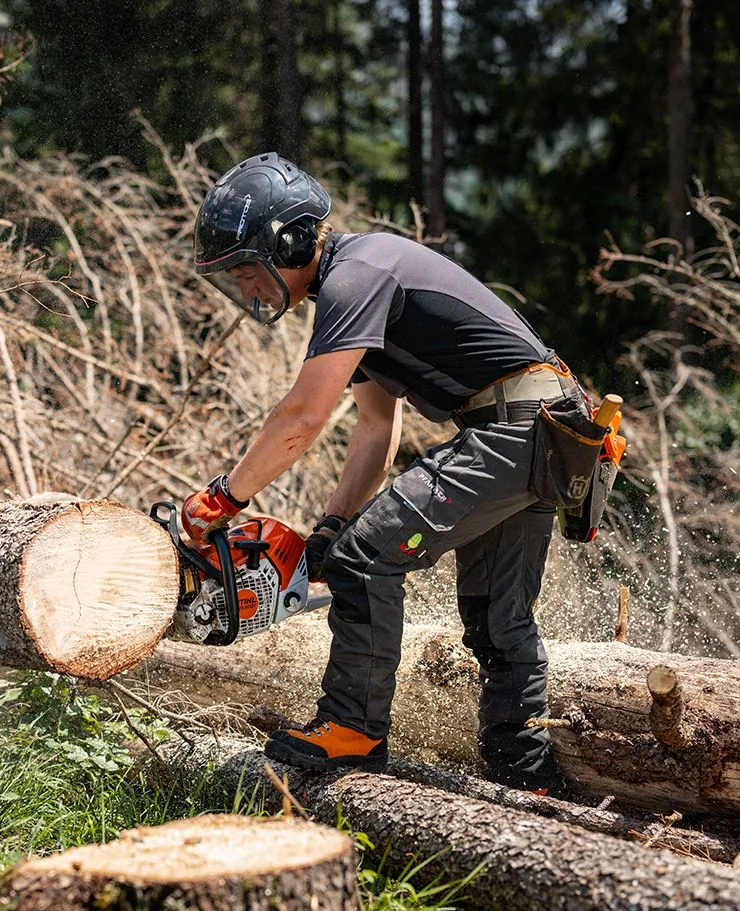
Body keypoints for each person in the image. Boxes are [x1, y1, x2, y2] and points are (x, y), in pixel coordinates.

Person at [181, 151, 592, 793]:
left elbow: (302, 418)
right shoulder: (360, 283)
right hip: (542, 428)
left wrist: (222, 498)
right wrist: (331, 525)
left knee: (368, 560)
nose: (247, 289)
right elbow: (377, 426)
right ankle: (524, 770)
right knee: (494, 613)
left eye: (247, 271)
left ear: (287, 241)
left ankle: (352, 728)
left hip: (522, 426)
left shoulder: (356, 275)